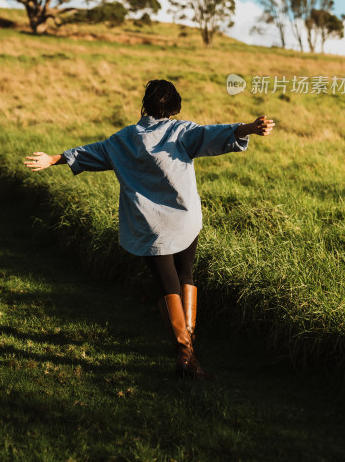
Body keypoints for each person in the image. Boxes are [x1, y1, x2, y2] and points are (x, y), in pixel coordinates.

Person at [24, 79, 275, 379]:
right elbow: (215, 133)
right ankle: (188, 353)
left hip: (149, 227)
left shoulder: (123, 140)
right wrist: (249, 127)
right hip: (184, 220)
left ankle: (186, 355)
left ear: (145, 104)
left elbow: (91, 152)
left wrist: (53, 158)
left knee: (167, 287)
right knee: (186, 277)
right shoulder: (181, 132)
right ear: (174, 106)